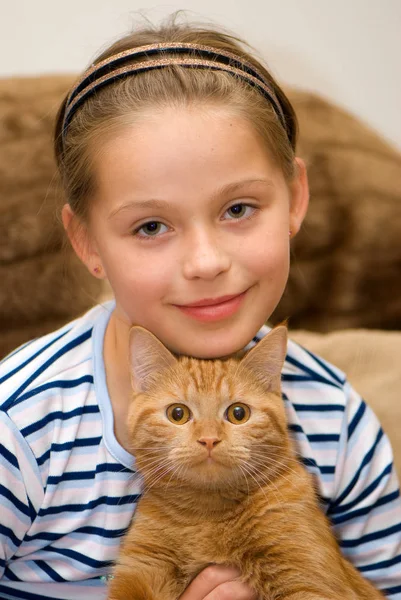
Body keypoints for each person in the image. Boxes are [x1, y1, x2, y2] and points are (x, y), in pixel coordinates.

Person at [0, 14, 400, 600]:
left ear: (296, 199)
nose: (206, 261)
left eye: (237, 209)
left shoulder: (337, 420)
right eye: (152, 224)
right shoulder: (20, 428)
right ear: (85, 241)